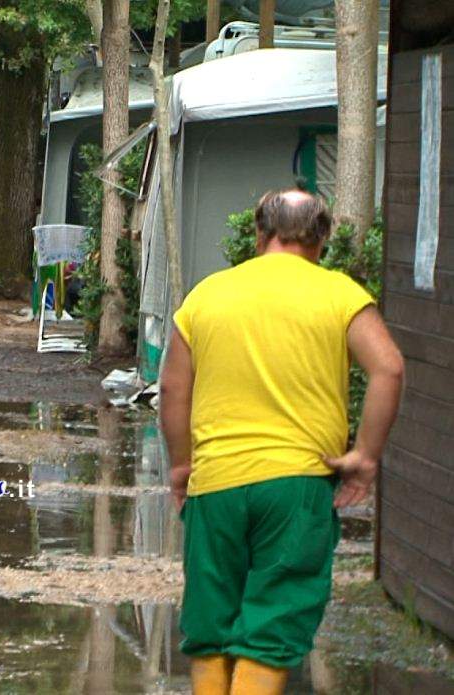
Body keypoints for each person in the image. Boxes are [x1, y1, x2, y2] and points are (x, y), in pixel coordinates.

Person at [159, 189, 404, 694]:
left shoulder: (207, 294)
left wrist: (182, 465)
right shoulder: (340, 294)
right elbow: (389, 368)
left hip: (217, 483)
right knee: (273, 623)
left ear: (259, 233)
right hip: (298, 486)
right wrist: (365, 456)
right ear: (322, 239)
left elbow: (172, 388)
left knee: (210, 623)